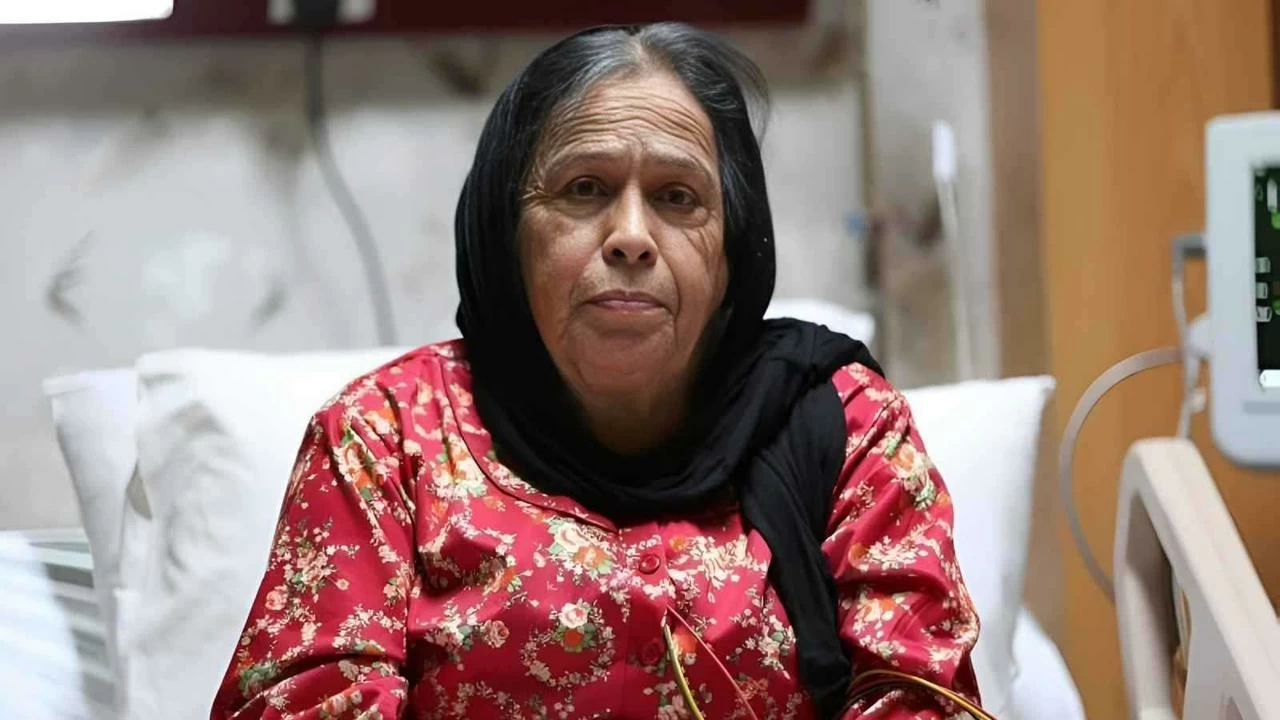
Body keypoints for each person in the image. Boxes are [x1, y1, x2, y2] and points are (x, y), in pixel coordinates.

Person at [211, 22, 980, 720]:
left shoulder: (843, 424)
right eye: (585, 189)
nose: (632, 236)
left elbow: (921, 698)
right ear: (508, 233)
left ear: (730, 253)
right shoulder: (384, 441)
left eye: (678, 197)